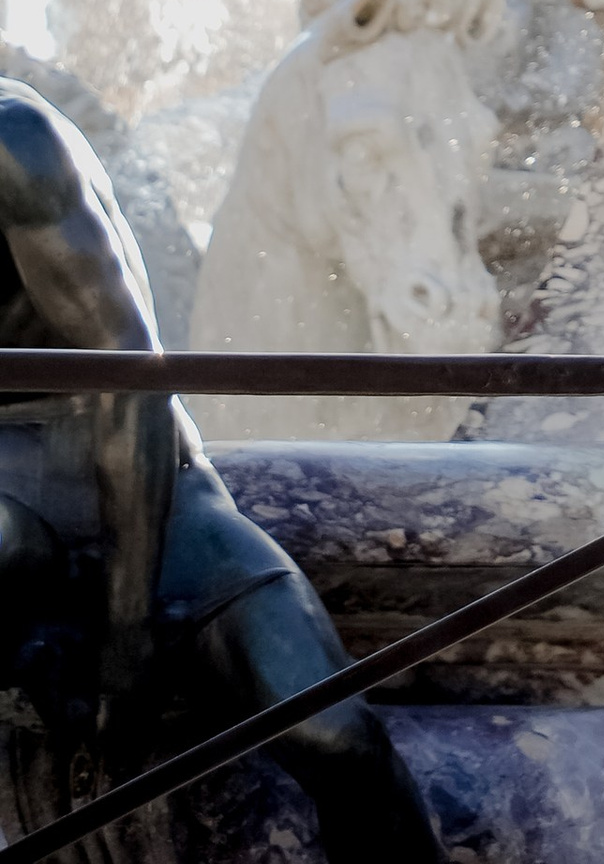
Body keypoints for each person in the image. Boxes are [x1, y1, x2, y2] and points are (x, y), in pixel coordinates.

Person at [0, 78, 443, 859]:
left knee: (336, 732)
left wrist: (129, 626)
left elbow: (130, 377)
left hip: (141, 479)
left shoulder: (17, 143)